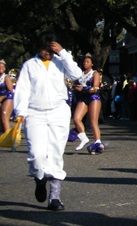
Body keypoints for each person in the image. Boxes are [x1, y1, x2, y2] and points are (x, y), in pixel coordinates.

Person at [13, 33, 83, 211]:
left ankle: (55, 197)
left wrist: (63, 53)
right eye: (45, 49)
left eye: (51, 49)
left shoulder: (60, 62)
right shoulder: (29, 65)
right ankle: (39, 178)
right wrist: (20, 113)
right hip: (34, 113)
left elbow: (77, 75)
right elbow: (22, 90)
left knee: (55, 153)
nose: (48, 53)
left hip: (58, 112)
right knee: (36, 154)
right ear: (39, 48)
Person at [72, 53, 103, 153]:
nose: (85, 63)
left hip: (93, 98)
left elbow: (95, 88)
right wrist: (71, 86)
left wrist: (84, 88)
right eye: (84, 62)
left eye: (87, 62)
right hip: (83, 98)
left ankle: (98, 142)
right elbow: (73, 83)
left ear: (92, 64)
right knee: (76, 118)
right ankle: (83, 137)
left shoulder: (95, 74)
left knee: (93, 122)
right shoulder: (80, 74)